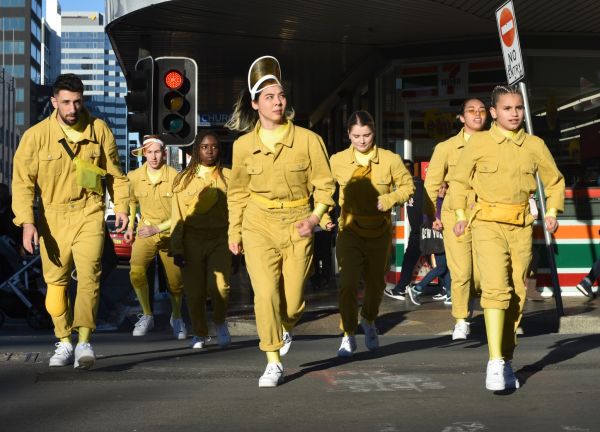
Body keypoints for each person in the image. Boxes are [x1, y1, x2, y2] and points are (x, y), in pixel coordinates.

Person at [226, 55, 335, 387]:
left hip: (298, 221)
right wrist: (235, 229)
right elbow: (238, 192)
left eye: (281, 95)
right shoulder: (244, 145)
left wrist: (315, 218)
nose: (277, 101)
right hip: (258, 223)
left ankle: (285, 326)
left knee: (293, 300)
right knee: (265, 295)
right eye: (269, 97)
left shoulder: (307, 140)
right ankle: (272, 359)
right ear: (256, 104)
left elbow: (325, 185)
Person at [11, 73, 129, 369]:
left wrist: (123, 208)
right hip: (52, 217)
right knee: (56, 284)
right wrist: (27, 222)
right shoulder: (35, 137)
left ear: (83, 100)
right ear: (54, 102)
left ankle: (85, 340)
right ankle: (64, 340)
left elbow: (116, 175)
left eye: (77, 102)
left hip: (89, 211)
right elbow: (23, 183)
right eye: (66, 102)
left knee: (90, 276)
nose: (72, 108)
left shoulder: (99, 130)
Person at [451, 85, 564, 391]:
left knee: (516, 295)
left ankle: (507, 356)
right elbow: (459, 181)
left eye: (518, 108)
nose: (514, 114)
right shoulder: (479, 143)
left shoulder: (535, 145)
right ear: (494, 112)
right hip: (487, 224)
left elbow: (554, 181)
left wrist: (552, 211)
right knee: (496, 291)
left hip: (522, 227)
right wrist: (461, 217)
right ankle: (495, 361)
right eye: (507, 108)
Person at [331, 110, 414, 357]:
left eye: (366, 135)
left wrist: (390, 198)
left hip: (379, 231)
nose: (362, 141)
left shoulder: (390, 159)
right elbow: (322, 187)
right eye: (356, 136)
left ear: (374, 131)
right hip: (349, 231)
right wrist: (322, 215)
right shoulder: (337, 161)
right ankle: (347, 333)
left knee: (376, 284)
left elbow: (408, 186)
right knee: (347, 283)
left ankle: (368, 320)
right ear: (349, 135)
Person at [423, 98, 488, 340]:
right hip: (454, 213)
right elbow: (432, 183)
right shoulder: (446, 147)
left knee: (482, 273)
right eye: (471, 111)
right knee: (461, 271)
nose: (477, 114)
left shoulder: (495, 143)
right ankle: (461, 318)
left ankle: (475, 303)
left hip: (485, 212)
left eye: (481, 110)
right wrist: (430, 215)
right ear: (461, 117)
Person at [171, 132, 232, 349]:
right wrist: (176, 247)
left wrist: (238, 238)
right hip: (192, 240)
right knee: (194, 291)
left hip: (220, 238)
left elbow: (237, 210)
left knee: (220, 287)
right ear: (197, 150)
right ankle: (200, 333)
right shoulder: (183, 179)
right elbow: (177, 215)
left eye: (214, 147)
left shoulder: (229, 177)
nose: (209, 151)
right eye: (205, 147)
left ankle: (220, 321)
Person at [124, 135, 186, 339]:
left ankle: (176, 317)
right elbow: (132, 201)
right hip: (146, 230)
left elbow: (180, 212)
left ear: (165, 153)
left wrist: (158, 228)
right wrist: (131, 227)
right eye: (149, 152)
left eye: (157, 152)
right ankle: (147, 315)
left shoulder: (176, 176)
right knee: (136, 270)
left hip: (171, 232)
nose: (153, 156)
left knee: (176, 282)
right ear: (143, 154)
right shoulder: (134, 176)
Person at [384, 159, 423, 300]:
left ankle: (401, 289)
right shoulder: (414, 185)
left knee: (410, 258)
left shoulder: (415, 185)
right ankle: (447, 290)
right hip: (421, 229)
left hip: (421, 229)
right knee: (438, 261)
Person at [407, 182, 451, 306]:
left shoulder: (441, 201)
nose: (443, 190)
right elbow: (429, 219)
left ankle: (449, 293)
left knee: (446, 267)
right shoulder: (434, 203)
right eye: (440, 188)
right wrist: (436, 223)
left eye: (445, 188)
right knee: (442, 267)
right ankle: (417, 289)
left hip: (440, 239)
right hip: (437, 239)